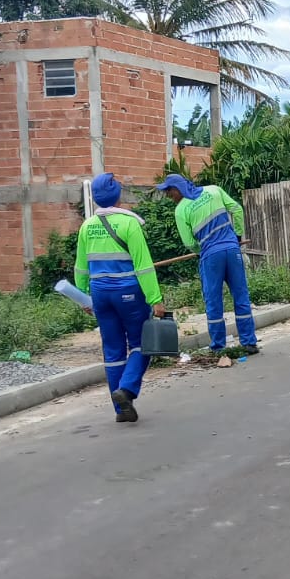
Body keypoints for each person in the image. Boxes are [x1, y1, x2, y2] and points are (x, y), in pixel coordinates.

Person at [75, 173, 166, 423]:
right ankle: (126, 390)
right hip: (129, 294)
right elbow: (143, 266)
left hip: (99, 295)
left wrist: (83, 298)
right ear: (118, 195)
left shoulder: (87, 226)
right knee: (142, 344)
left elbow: (80, 267)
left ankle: (121, 410)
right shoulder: (129, 224)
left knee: (113, 350)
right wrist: (155, 299)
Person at [157, 173, 258, 355]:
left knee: (213, 301)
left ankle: (218, 347)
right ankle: (249, 342)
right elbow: (237, 209)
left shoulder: (181, 210)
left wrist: (201, 251)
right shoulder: (214, 190)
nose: (168, 195)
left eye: (169, 191)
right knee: (241, 296)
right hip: (232, 250)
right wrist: (237, 236)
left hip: (211, 256)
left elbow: (189, 242)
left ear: (178, 189)